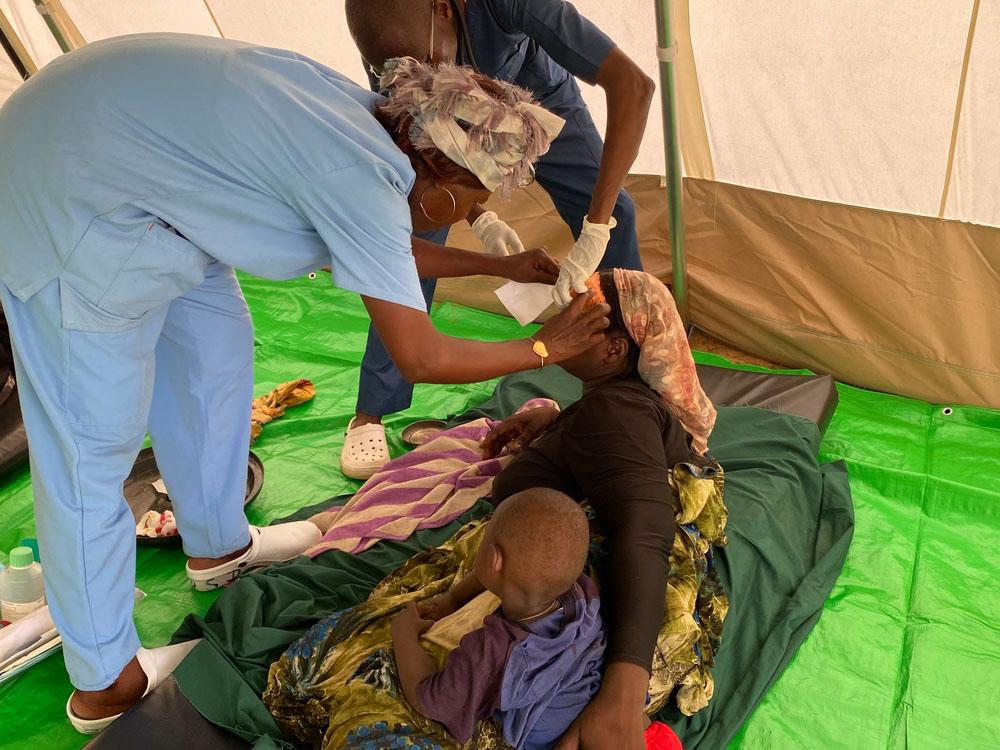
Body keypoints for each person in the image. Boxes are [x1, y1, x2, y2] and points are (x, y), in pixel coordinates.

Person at [0, 35, 610, 732]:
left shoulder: (383, 129)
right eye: (474, 196)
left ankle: (218, 545)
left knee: (216, 356)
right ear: (442, 171)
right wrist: (540, 347)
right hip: (64, 192)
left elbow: (384, 240)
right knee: (89, 452)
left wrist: (499, 269)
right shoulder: (357, 169)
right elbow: (422, 356)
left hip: (143, 182)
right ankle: (106, 682)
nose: (472, 210)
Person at [341, 0, 655, 480]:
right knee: (413, 233)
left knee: (620, 215)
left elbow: (634, 85)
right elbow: (417, 147)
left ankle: (629, 383)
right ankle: (371, 412)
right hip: (449, 131)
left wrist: (596, 226)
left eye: (431, 66)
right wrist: (480, 217)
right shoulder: (389, 36)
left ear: (444, 9)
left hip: (536, 103)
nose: (419, 75)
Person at [481, 269, 720, 749]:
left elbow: (646, 530)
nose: (563, 315)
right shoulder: (614, 403)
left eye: (582, 311)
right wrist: (557, 422)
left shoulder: (615, 414)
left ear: (613, 350)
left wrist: (621, 695)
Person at [390, 488, 605, 749]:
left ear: (493, 559)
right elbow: (498, 572)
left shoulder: (492, 654)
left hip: (540, 740)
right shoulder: (584, 594)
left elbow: (429, 698)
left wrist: (402, 634)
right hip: (584, 704)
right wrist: (453, 599)